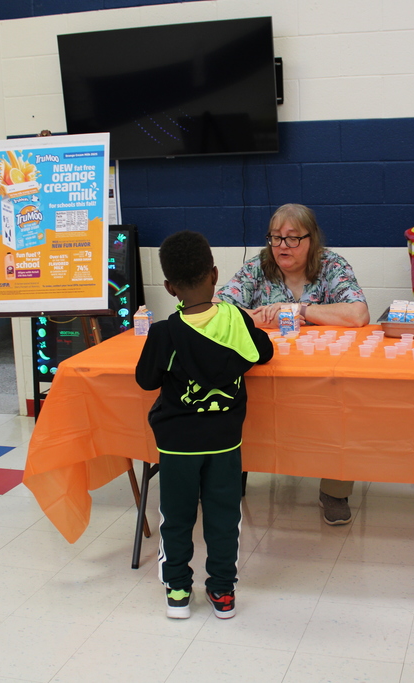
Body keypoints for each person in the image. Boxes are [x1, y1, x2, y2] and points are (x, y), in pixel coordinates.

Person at [136, 230, 273, 620]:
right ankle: (223, 592)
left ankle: (178, 590)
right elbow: (264, 351)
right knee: (224, 517)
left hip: (177, 446)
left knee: (176, 517)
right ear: (214, 275)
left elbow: (146, 379)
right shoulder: (236, 321)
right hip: (225, 442)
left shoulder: (165, 333)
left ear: (169, 287)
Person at [216, 203, 370, 525]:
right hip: (267, 371)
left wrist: (298, 310)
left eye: (291, 239)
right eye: (275, 238)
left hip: (324, 373)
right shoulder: (257, 267)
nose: (281, 247)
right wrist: (254, 318)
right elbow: (217, 309)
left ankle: (334, 490)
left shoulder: (331, 265)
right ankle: (237, 470)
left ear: (311, 240)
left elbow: (357, 315)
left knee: (340, 412)